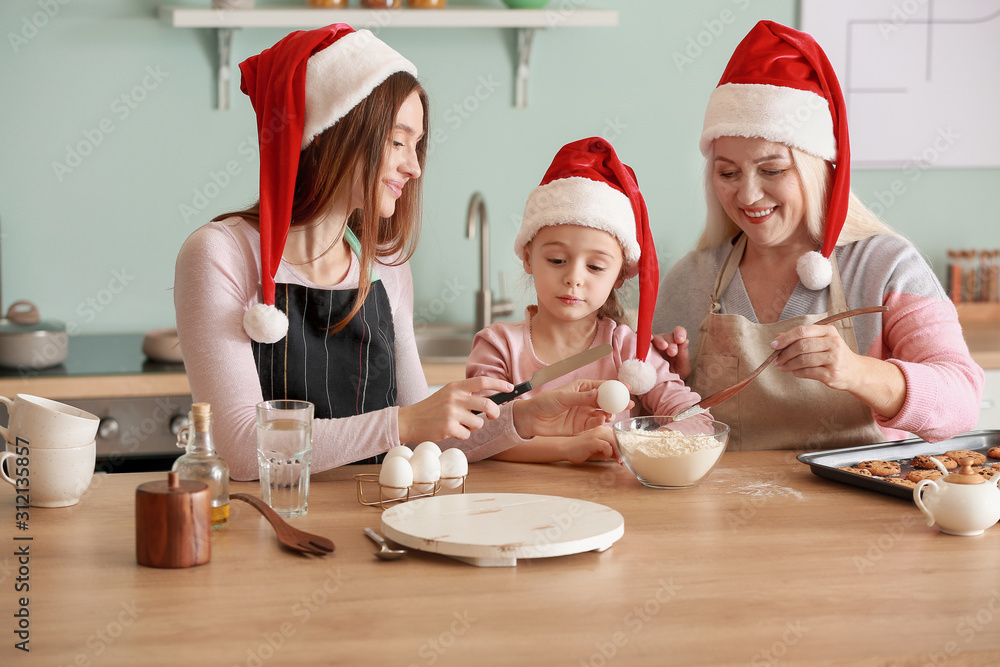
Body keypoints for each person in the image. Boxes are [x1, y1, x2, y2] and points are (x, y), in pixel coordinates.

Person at [174, 25, 612, 480]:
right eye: (398, 141)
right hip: (272, 530)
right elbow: (243, 447)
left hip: (378, 523)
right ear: (331, 131)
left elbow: (426, 433)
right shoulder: (221, 254)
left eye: (417, 145)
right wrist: (402, 423)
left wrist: (524, 418)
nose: (414, 165)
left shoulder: (385, 265)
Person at [651, 21, 984, 451]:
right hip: (724, 514)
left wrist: (856, 371)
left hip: (855, 511)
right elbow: (654, 425)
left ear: (818, 169)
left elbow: (961, 401)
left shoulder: (886, 266)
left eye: (772, 169)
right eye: (728, 172)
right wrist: (670, 381)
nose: (748, 194)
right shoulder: (693, 277)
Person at [466, 137, 702, 463]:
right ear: (528, 258)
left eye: (595, 266)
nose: (574, 278)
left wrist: (641, 445)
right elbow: (473, 437)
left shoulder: (630, 352)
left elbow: (695, 418)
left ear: (620, 275)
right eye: (557, 260)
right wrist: (567, 449)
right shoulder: (499, 347)